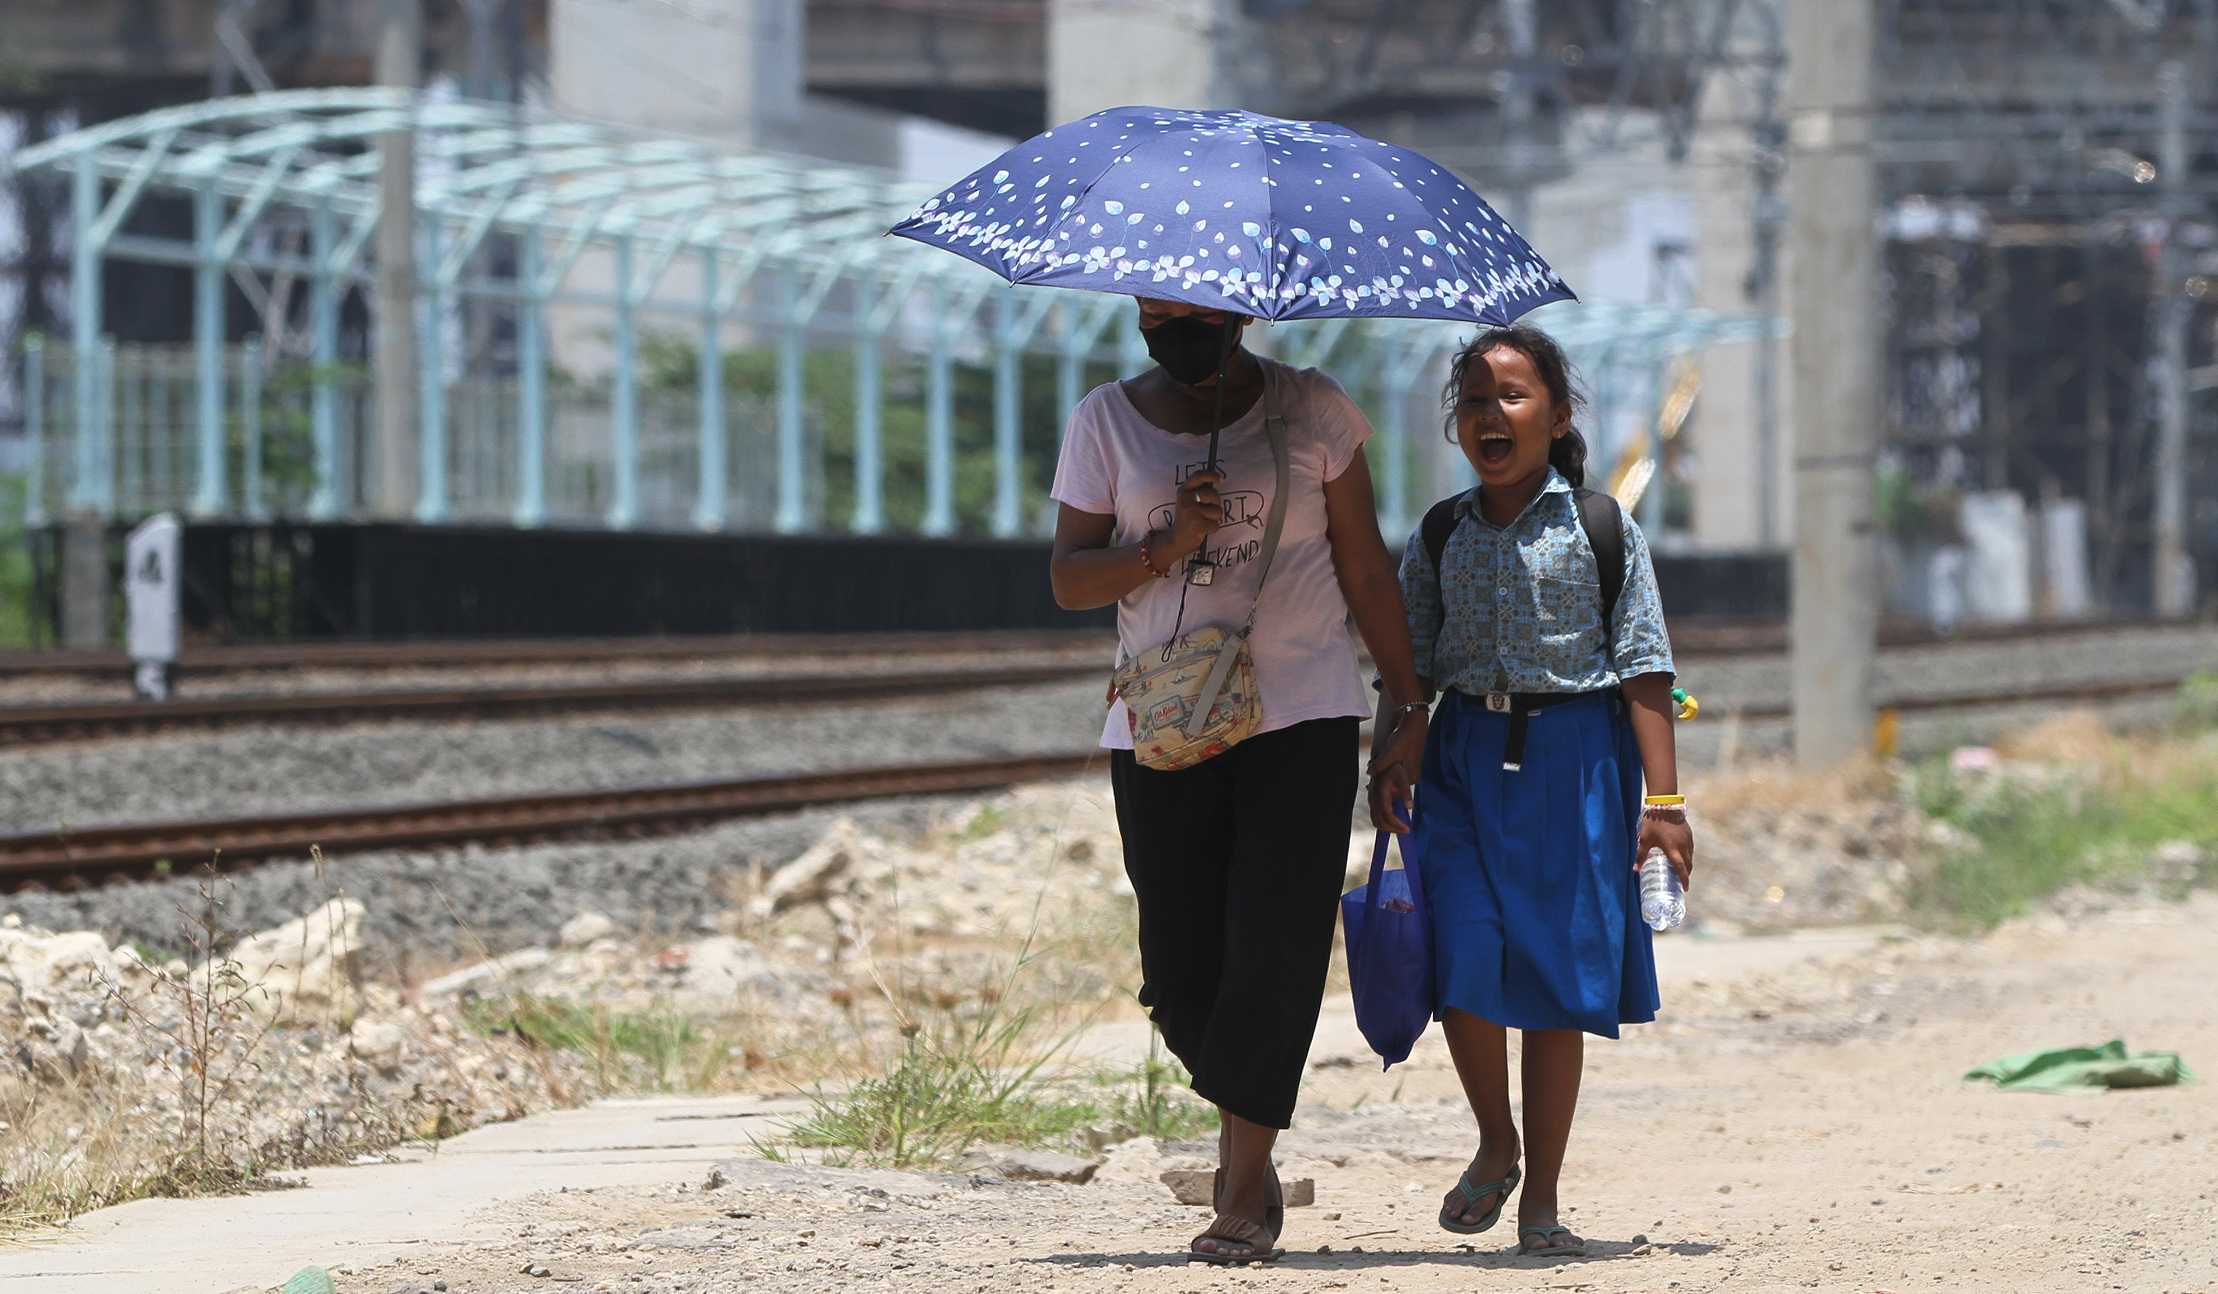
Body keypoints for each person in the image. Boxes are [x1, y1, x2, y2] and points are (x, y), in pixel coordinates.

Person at [1049, 297, 1428, 1263]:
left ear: (1239, 308)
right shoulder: (1104, 419)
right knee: (1178, 970)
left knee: (1276, 942)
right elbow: (1070, 578)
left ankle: (1244, 1182)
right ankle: (1245, 1131)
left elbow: (1365, 568)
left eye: (1190, 310)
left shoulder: (1313, 412)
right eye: (1151, 310)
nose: (1170, 323)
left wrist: (1405, 706)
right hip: (1163, 724)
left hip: (1301, 714)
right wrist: (1165, 545)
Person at [1368, 323, 1694, 1259]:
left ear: (1557, 416)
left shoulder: (1600, 528)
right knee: (1461, 959)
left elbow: (1644, 671)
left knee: (1556, 987)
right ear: (1454, 425)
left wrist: (1662, 808)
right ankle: (1496, 1140)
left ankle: (1541, 1200)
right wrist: (1390, 755)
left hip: (1577, 766)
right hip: (1464, 764)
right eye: (1472, 399)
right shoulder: (1438, 534)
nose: (1489, 414)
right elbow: (1407, 666)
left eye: (1511, 395)